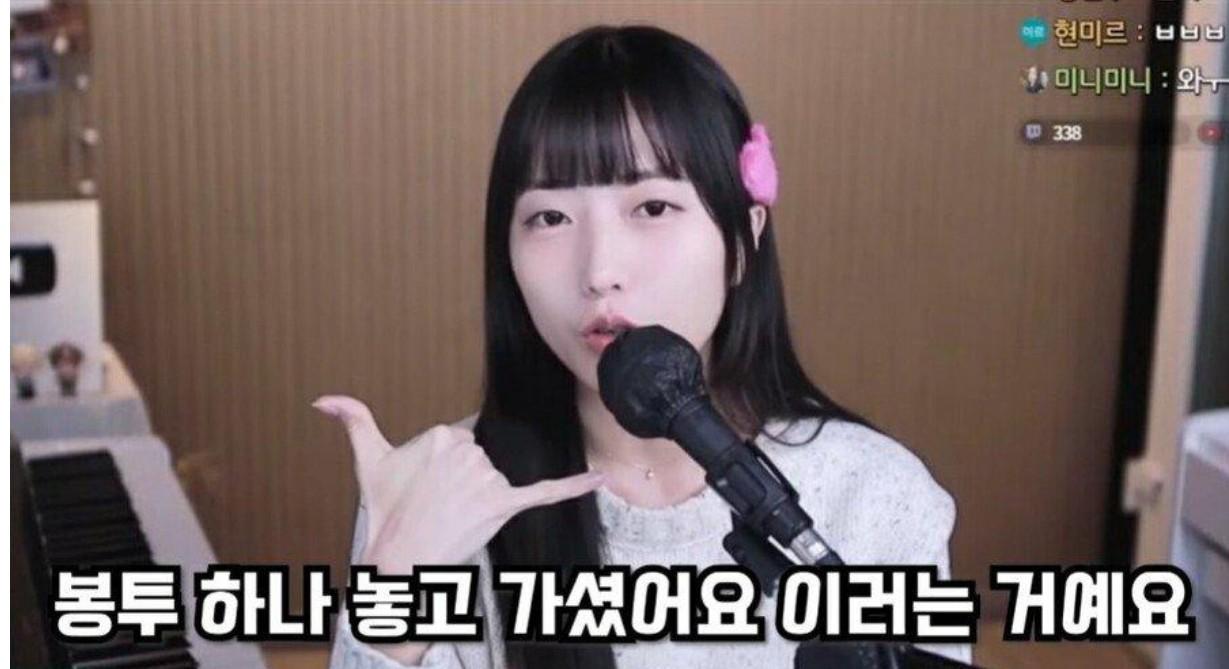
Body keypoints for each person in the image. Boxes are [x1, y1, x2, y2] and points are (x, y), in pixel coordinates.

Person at [321, 24, 970, 669]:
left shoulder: (874, 494)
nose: (599, 270)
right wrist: (394, 589)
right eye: (550, 217)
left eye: (652, 208)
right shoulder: (445, 494)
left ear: (743, 240)